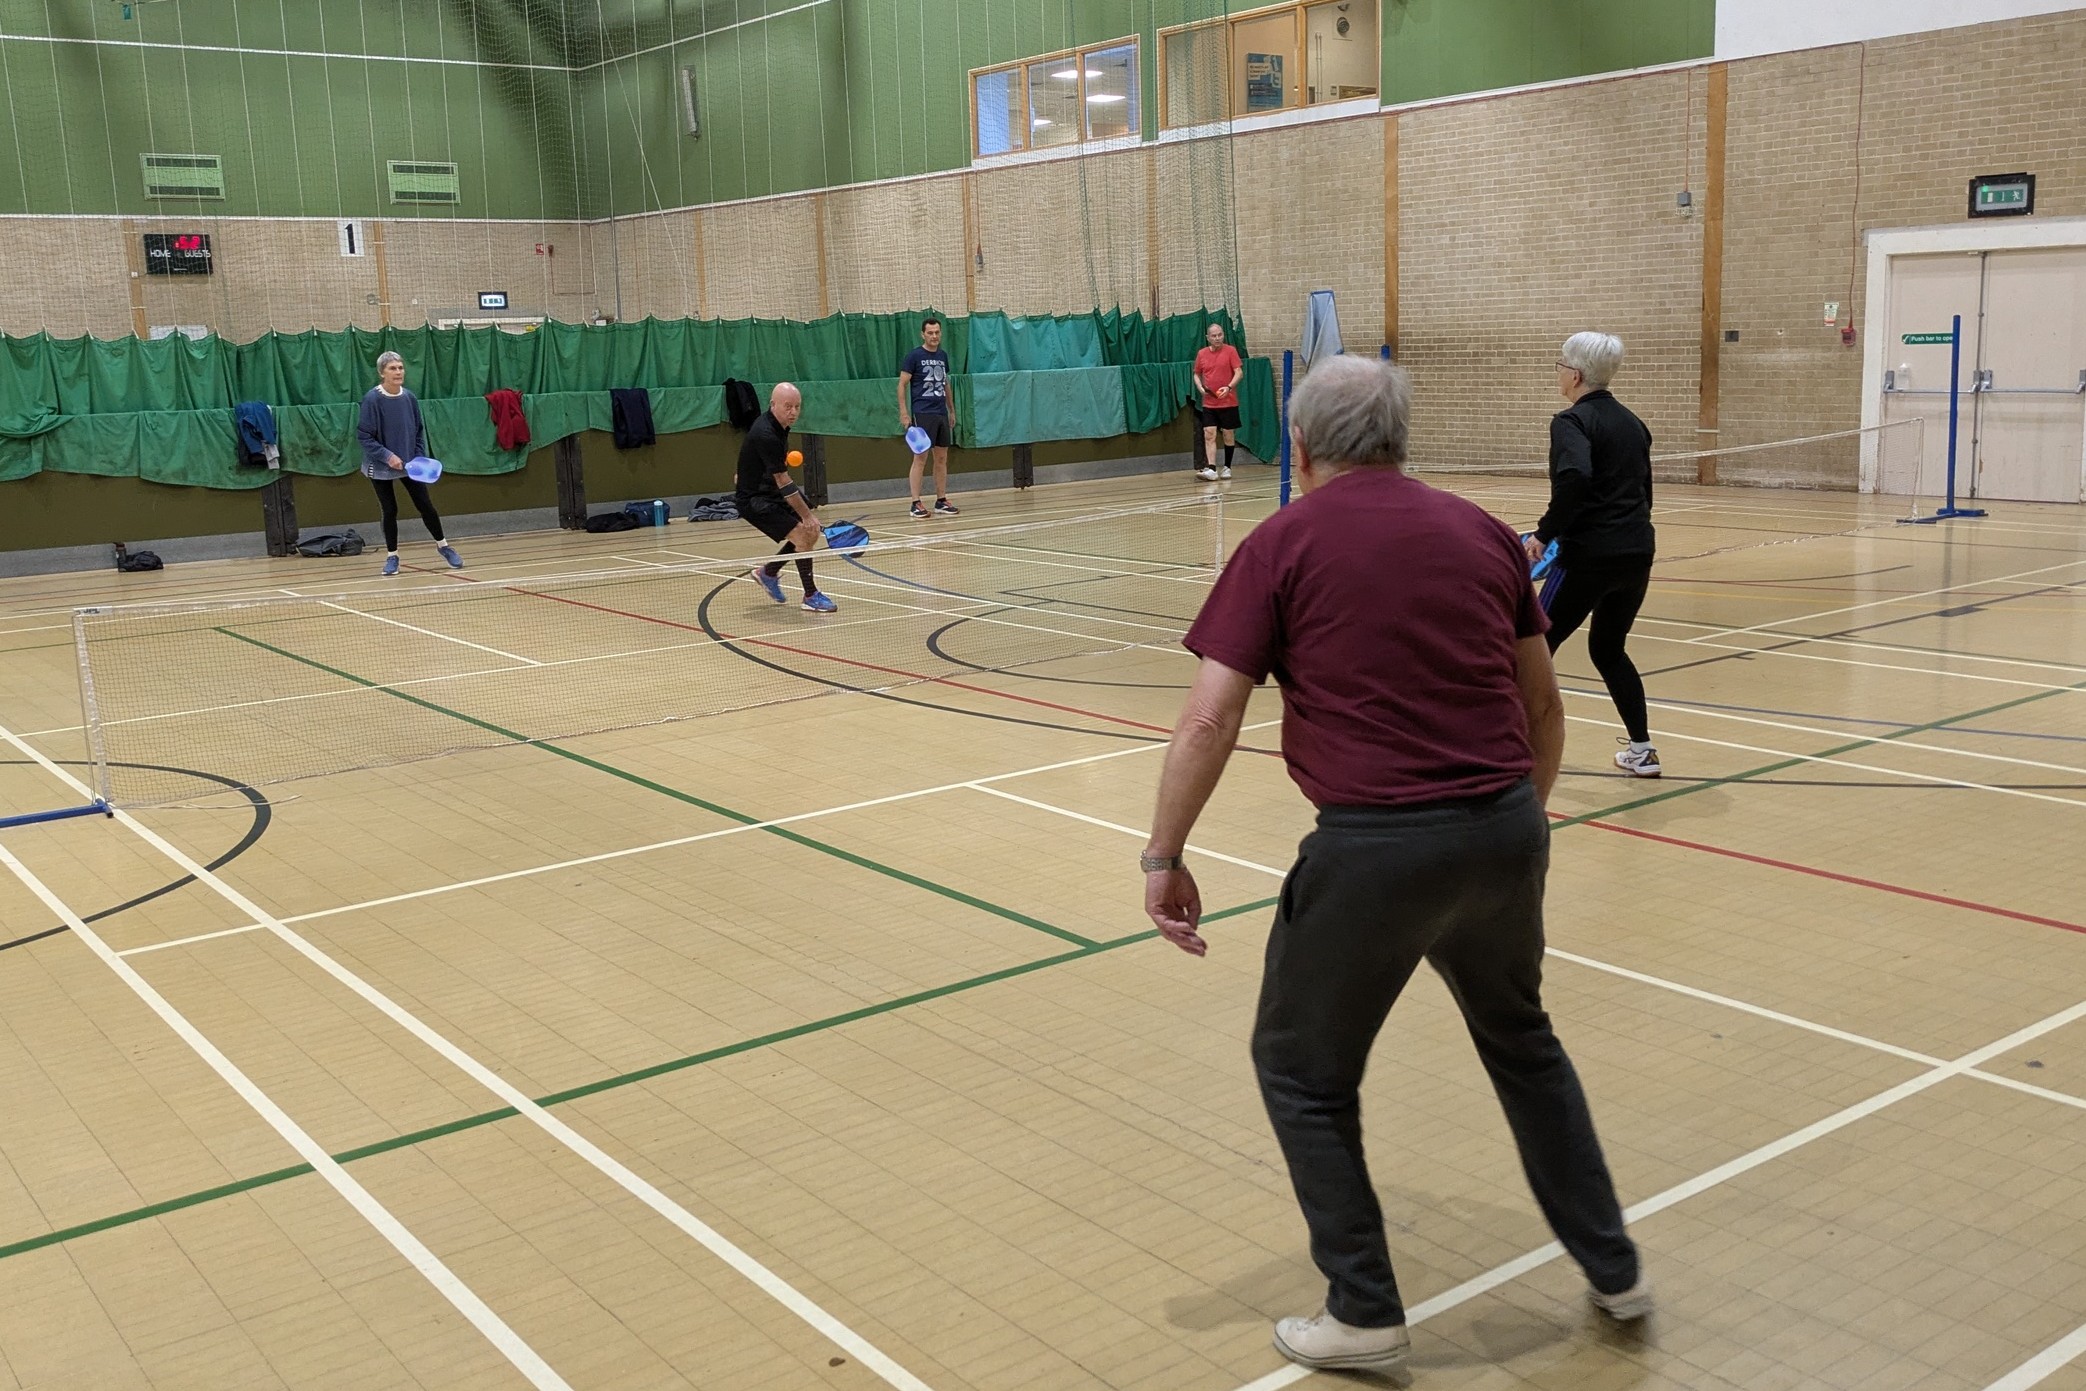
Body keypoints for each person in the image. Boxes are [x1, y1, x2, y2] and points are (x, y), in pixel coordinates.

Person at [1141, 355, 1647, 1377]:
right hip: (1506, 831)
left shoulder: (1280, 542)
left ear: (1300, 444)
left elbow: (1208, 717)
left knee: (1300, 1068)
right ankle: (1615, 1267)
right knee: (1523, 1041)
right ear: (1399, 438)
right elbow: (1543, 705)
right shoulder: (1481, 533)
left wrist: (1165, 852)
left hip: (1374, 848)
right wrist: (1520, 817)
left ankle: (1363, 1306)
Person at [1527, 332, 1659, 778]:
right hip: (1636, 553)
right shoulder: (1633, 423)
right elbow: (1644, 491)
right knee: (1608, 648)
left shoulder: (1572, 422)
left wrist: (1545, 534)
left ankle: (1503, 748)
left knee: (1531, 648)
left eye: (1560, 365)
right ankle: (1642, 750)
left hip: (1587, 558)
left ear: (1576, 375)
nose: (1558, 373)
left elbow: (1575, 477)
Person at [356, 352, 463, 576]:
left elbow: (418, 431)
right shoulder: (372, 400)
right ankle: (392, 557)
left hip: (409, 463)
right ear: (382, 373)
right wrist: (388, 456)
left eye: (400, 367)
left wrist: (418, 458)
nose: (398, 372)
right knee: (389, 510)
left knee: (425, 505)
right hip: (381, 465)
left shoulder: (409, 398)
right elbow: (364, 436)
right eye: (392, 368)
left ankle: (444, 546)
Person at [736, 383, 836, 614]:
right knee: (803, 533)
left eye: (797, 407)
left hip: (770, 491)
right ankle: (810, 595)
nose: (793, 412)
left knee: (809, 534)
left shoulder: (780, 426)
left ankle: (768, 573)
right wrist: (807, 516)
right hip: (754, 500)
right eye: (788, 406)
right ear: (773, 405)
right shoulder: (766, 433)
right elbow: (782, 480)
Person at [899, 315, 960, 519]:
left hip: (940, 412)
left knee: (941, 458)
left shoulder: (942, 356)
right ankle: (915, 503)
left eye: (937, 332)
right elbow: (902, 384)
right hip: (923, 413)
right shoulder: (914, 356)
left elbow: (945, 384)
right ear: (923, 334)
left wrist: (951, 410)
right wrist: (904, 413)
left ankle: (941, 500)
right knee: (920, 458)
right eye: (930, 333)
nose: (934, 336)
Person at [1192, 321, 1244, 481]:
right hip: (1209, 403)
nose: (1217, 338)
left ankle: (1227, 467)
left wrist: (1229, 387)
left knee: (1228, 434)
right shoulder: (1202, 354)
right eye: (1214, 336)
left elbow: (1239, 372)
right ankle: (1212, 469)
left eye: (1220, 335)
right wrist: (1200, 387)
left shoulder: (1231, 351)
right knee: (1209, 433)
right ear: (1208, 337)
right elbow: (1196, 374)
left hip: (1229, 402)